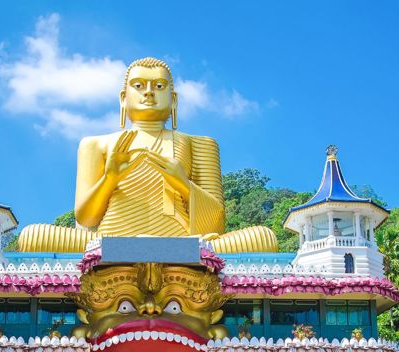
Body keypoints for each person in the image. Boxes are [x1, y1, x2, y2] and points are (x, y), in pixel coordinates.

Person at [16, 57, 278, 254]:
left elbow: (216, 224)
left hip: (185, 244)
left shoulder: (200, 144)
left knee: (264, 238)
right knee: (32, 236)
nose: (149, 92)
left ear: (173, 100)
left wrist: (183, 184)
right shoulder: (96, 144)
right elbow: (86, 218)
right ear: (123, 98)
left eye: (159, 86)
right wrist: (110, 177)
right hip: (110, 242)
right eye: (139, 85)